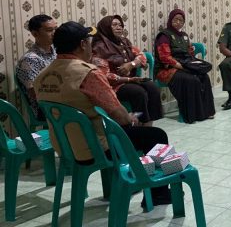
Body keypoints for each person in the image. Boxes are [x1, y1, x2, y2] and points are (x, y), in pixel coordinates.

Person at [34, 21, 172, 208]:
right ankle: (159, 194)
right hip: (95, 148)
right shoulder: (88, 73)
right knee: (156, 135)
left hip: (65, 146)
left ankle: (133, 184)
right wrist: (129, 117)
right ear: (83, 44)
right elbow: (120, 116)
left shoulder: (42, 76)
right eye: (89, 41)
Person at [92, 15, 163, 126]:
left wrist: (132, 64)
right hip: (114, 86)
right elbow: (104, 75)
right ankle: (138, 125)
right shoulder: (99, 47)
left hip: (131, 80)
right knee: (139, 93)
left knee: (152, 87)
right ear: (106, 27)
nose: (119, 27)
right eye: (114, 25)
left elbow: (141, 55)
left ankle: (148, 125)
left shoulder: (124, 42)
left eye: (120, 25)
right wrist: (129, 79)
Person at [154, 9, 215, 123]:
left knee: (204, 77)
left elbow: (188, 54)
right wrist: (183, 67)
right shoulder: (164, 36)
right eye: (175, 19)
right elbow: (165, 58)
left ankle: (206, 112)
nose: (178, 22)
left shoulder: (184, 36)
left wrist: (191, 51)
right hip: (167, 69)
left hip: (184, 65)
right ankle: (192, 115)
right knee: (191, 79)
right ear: (170, 20)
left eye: (181, 20)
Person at [16, 14, 58, 121]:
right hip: (44, 108)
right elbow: (34, 93)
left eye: (55, 29)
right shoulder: (30, 59)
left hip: (60, 100)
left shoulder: (56, 51)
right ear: (35, 33)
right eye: (49, 30)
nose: (55, 33)